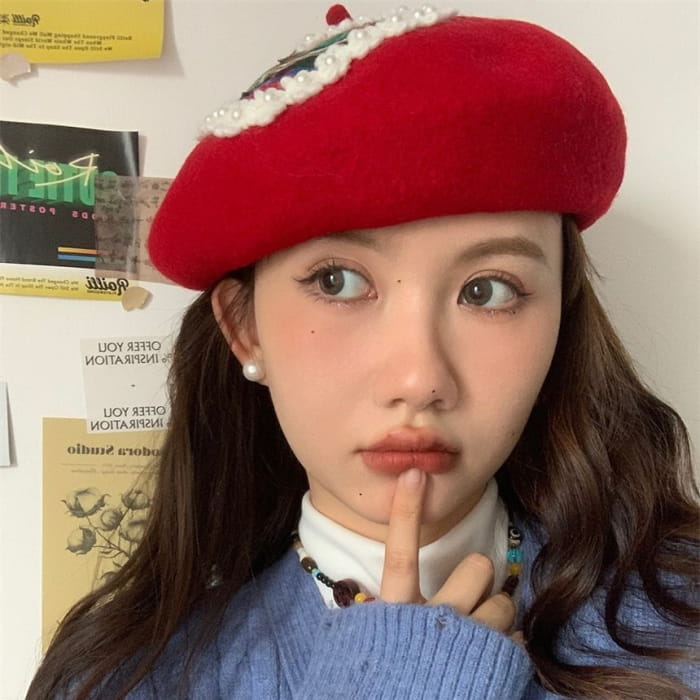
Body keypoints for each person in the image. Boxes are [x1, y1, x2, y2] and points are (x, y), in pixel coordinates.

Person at [28, 4, 698, 699]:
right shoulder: (120, 679)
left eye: (488, 291)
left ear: (560, 318)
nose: (419, 379)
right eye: (336, 282)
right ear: (244, 329)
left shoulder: (683, 626)